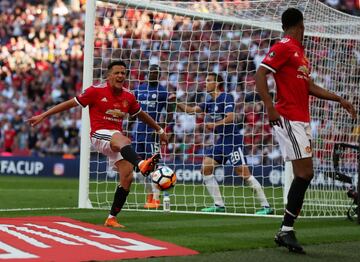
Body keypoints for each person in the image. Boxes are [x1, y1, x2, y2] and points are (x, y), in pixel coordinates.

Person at [255, 8, 357, 253]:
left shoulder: (300, 53)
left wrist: (338, 99)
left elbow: (308, 86)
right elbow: (260, 73)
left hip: (301, 119)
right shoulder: (285, 45)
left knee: (304, 174)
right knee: (305, 172)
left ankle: (286, 230)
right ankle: (286, 230)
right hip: (288, 116)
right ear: (301, 25)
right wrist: (269, 106)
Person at [28, 60, 168, 228]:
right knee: (124, 139)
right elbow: (70, 103)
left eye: (123, 73)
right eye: (116, 72)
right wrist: (43, 115)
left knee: (127, 175)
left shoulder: (128, 96)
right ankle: (141, 163)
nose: (120, 76)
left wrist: (159, 130)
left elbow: (141, 114)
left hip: (115, 141)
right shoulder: (95, 91)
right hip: (99, 135)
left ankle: (111, 218)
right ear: (108, 76)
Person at [174, 72, 273, 214]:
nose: (205, 83)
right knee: (206, 168)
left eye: (208, 80)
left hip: (233, 139)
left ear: (217, 83)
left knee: (243, 172)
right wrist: (175, 102)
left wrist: (214, 124)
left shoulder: (226, 97)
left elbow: (231, 117)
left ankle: (266, 206)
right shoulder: (209, 101)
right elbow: (190, 111)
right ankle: (218, 204)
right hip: (221, 140)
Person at [132, 64, 173, 209]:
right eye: (151, 72)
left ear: (159, 75)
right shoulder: (139, 89)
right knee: (138, 169)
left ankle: (156, 199)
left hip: (152, 134)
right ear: (147, 73)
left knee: (154, 167)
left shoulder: (162, 92)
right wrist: (130, 127)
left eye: (156, 73)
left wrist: (161, 127)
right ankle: (149, 195)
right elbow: (132, 109)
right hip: (138, 133)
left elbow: (169, 112)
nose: (153, 74)